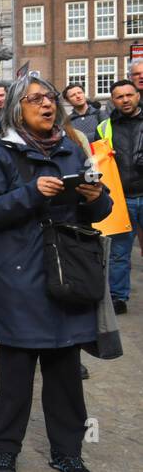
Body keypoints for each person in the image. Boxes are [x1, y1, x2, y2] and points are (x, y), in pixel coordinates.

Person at [0, 73, 111, 472]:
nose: (47, 105)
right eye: (35, 100)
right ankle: (5, 450)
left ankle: (67, 453)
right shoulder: (0, 154)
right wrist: (32, 192)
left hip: (67, 272)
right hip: (18, 276)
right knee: (16, 370)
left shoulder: (73, 150)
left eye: (49, 98)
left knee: (65, 370)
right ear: (17, 109)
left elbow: (101, 210)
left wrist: (94, 198)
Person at [98, 80, 143, 314]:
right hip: (121, 198)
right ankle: (118, 298)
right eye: (119, 96)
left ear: (137, 95)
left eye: (129, 95)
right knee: (119, 253)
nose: (125, 100)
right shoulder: (105, 126)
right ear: (112, 100)